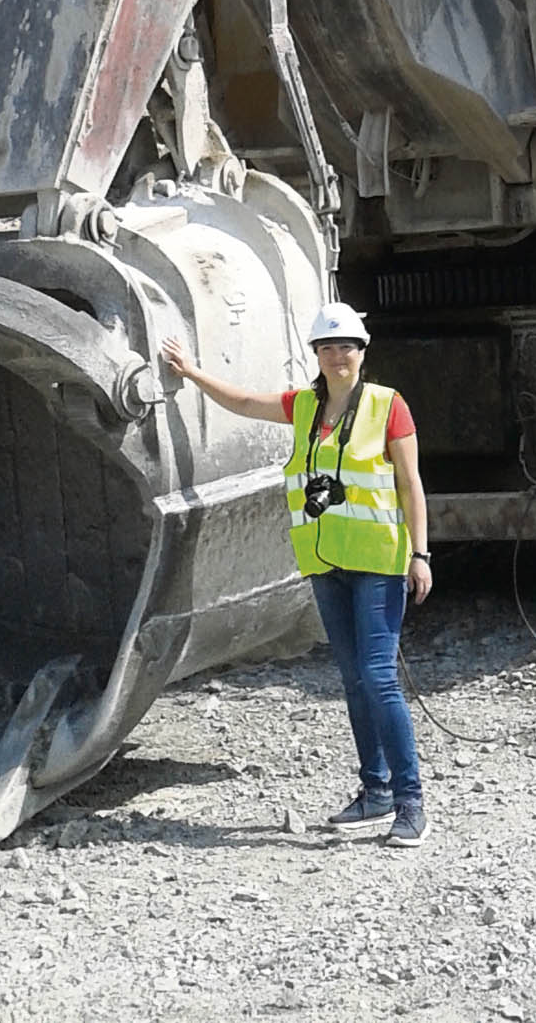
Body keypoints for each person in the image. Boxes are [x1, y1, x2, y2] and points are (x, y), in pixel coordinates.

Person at [161, 301, 431, 846]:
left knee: (378, 678)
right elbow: (241, 401)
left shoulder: (388, 407)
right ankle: (374, 791)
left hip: (378, 560)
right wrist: (191, 372)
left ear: (362, 352)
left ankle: (411, 802)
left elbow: (411, 485)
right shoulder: (304, 407)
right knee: (354, 680)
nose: (339, 356)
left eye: (347, 347)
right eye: (328, 347)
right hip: (326, 562)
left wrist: (420, 554)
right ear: (316, 354)